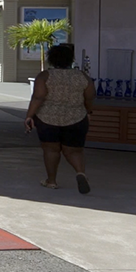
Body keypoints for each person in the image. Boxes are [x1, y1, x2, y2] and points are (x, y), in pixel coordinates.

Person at [25, 44, 95, 193]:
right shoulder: (82, 76)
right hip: (76, 118)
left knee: (51, 150)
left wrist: (29, 116)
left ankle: (51, 181)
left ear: (52, 59)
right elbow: (89, 97)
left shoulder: (45, 76)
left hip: (47, 118)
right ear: (70, 60)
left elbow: (38, 97)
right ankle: (80, 173)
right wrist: (88, 111)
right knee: (74, 151)